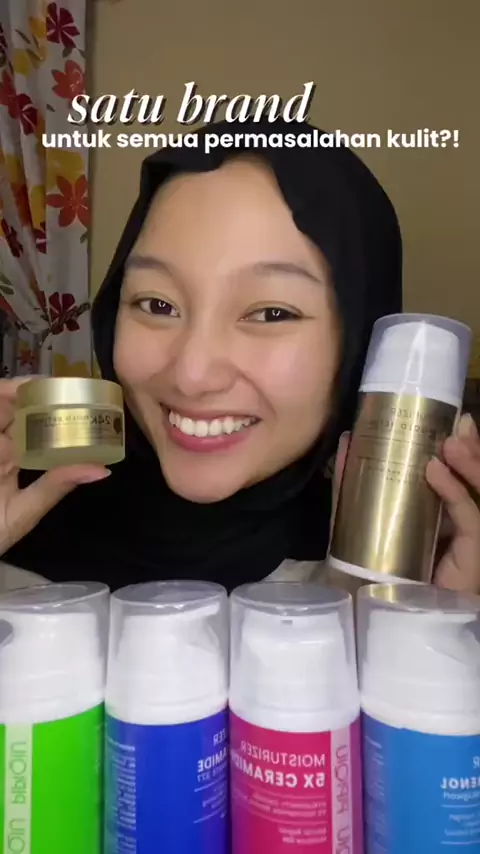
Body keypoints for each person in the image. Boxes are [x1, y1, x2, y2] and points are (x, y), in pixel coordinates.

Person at [0, 118, 479, 594]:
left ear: (356, 347)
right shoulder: (19, 508)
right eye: (158, 304)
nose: (192, 375)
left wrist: (416, 619)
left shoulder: (400, 559)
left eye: (271, 313)